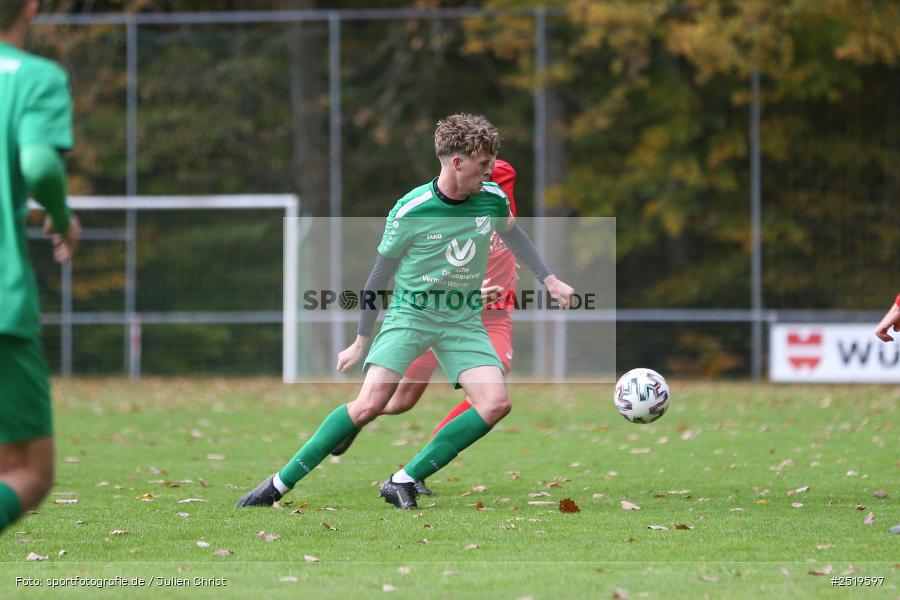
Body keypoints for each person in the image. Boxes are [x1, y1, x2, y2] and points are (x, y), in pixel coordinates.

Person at [238, 114, 572, 509]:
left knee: (495, 403)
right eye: (484, 165)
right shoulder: (411, 209)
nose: (489, 173)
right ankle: (277, 485)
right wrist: (360, 340)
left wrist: (549, 279)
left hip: (462, 320)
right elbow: (378, 277)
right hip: (410, 317)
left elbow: (514, 236)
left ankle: (403, 480)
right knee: (371, 404)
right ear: (457, 163)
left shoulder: (492, 198)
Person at [329, 159, 529, 498]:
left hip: (488, 317)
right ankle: (355, 418)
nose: (485, 179)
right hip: (435, 313)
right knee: (400, 401)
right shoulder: (445, 207)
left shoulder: (499, 193)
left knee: (489, 393)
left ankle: (416, 471)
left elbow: (512, 234)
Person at [0, 0, 81, 533]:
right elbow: (40, 164)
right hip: (2, 301)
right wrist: (61, 216)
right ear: (30, 9)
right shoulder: (34, 77)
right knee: (27, 470)